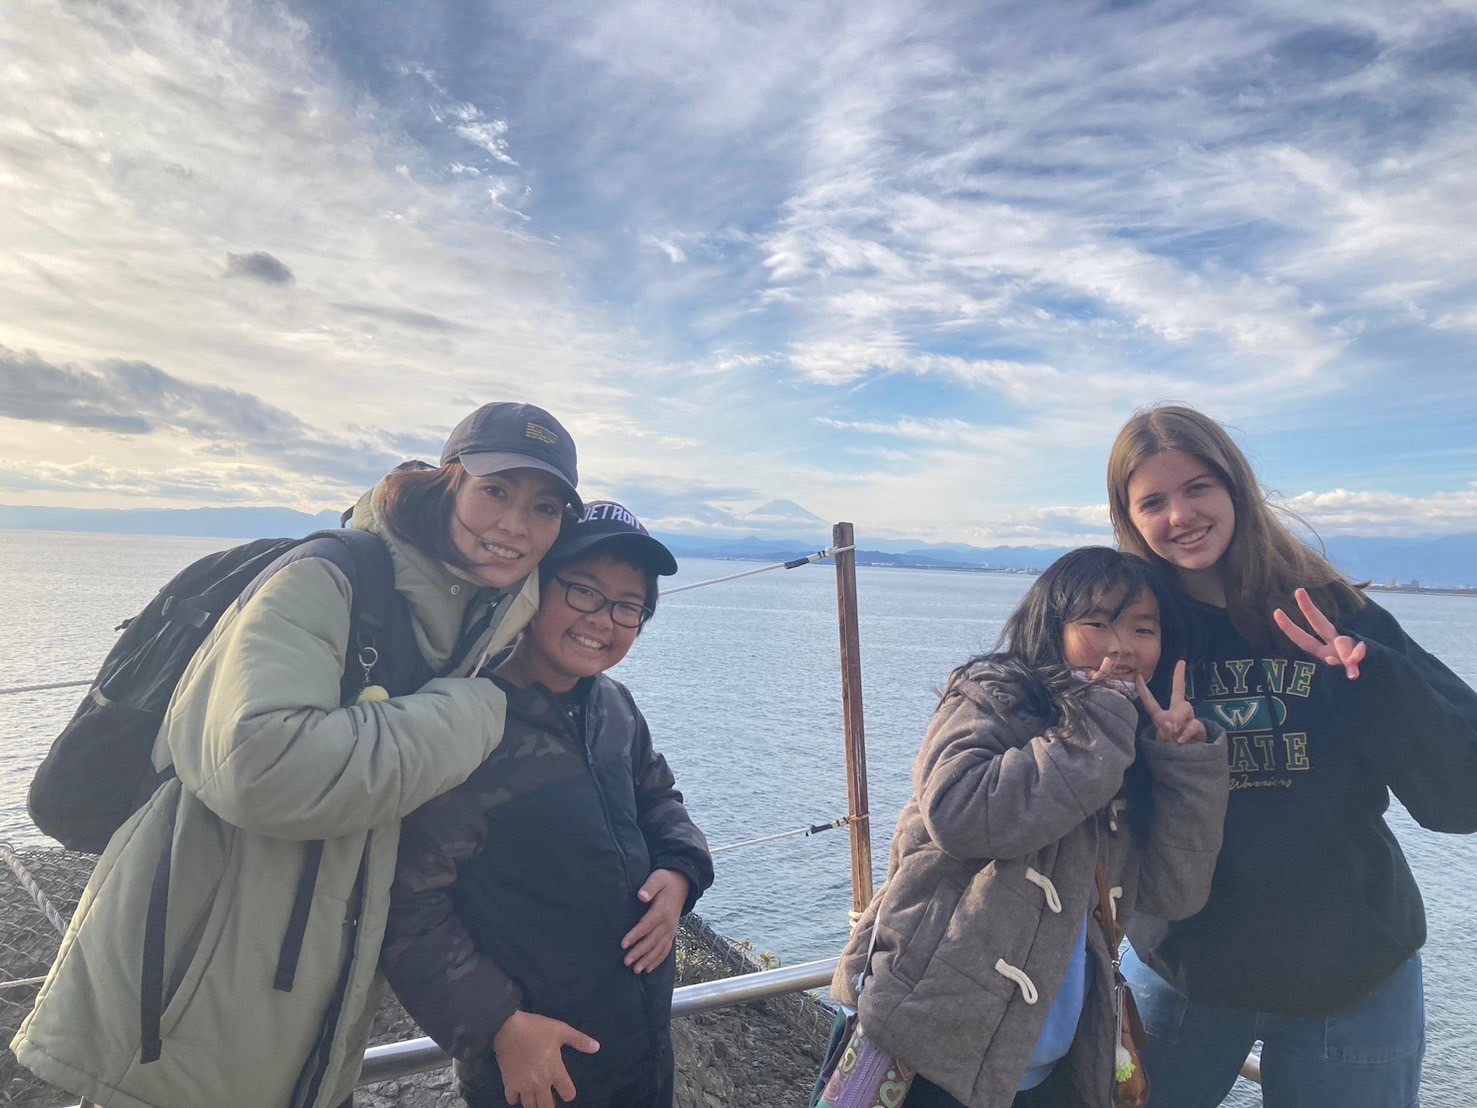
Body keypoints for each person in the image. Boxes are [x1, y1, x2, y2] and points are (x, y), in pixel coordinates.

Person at [12, 401, 583, 1108]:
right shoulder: (325, 578)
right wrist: (475, 711)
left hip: (296, 1007)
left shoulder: (473, 622)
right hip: (184, 997)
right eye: (494, 490)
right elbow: (262, 768)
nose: (514, 526)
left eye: (545, 507)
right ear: (447, 484)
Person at [1106, 404, 1477, 1108]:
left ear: (1236, 490)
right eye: (1152, 501)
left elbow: (1461, 794)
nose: (1179, 515)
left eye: (1197, 489)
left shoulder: (1333, 612)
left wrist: (1376, 680)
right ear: (1128, 516)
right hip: (1182, 965)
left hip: (1351, 968)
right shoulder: (1132, 633)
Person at [825, 547, 1230, 1108]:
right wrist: (1097, 725)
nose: (1122, 646)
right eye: (1097, 622)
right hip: (926, 1038)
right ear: (1052, 625)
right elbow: (959, 813)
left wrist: (1181, 767)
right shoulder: (994, 696)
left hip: (1047, 1060)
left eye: (1143, 628)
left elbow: (1172, 893)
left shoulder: (1128, 743)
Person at [381, 500, 713, 1108]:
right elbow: (406, 903)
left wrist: (679, 873)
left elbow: (659, 798)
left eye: (628, 607)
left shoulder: (614, 707)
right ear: (533, 588)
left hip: (642, 1052)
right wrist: (501, 1027)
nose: (604, 620)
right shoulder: (472, 725)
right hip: (536, 1072)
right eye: (584, 591)